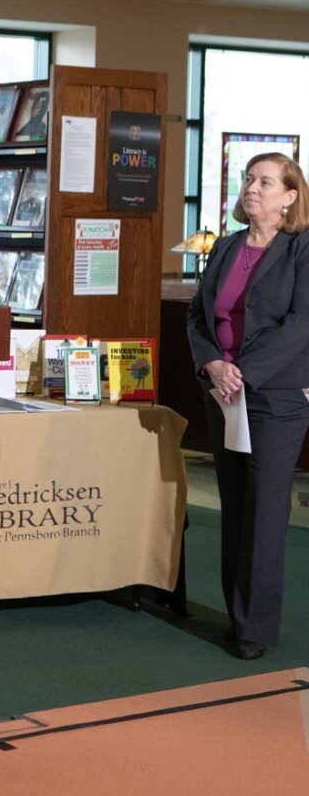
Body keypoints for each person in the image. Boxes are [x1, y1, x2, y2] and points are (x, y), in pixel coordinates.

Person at [186, 152, 309, 660]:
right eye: (248, 179)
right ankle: (237, 617)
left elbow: (301, 324)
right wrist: (214, 365)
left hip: (276, 396)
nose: (251, 188)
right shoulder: (228, 246)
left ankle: (255, 629)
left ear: (289, 196)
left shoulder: (302, 249)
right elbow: (197, 316)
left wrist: (245, 372)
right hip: (223, 394)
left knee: (264, 508)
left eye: (264, 181)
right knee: (234, 505)